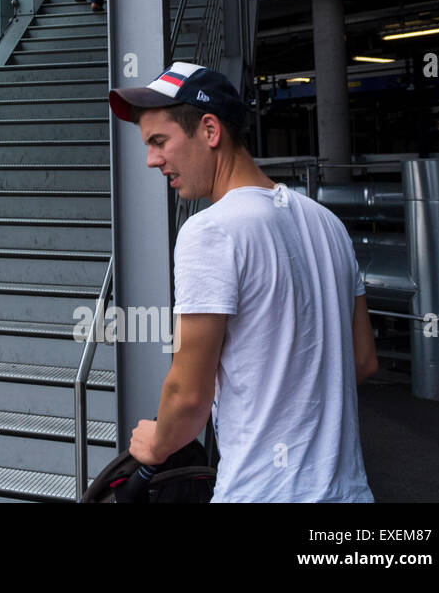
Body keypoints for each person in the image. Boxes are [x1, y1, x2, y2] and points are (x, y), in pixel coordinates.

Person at [108, 62, 377, 502]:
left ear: (210, 130)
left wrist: (154, 443)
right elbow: (363, 360)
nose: (152, 160)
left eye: (160, 142)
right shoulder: (329, 225)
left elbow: (189, 395)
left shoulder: (211, 231)